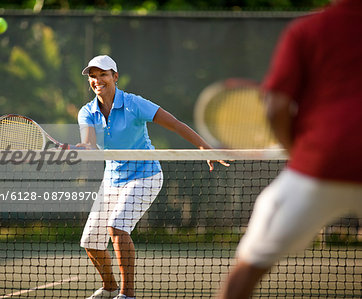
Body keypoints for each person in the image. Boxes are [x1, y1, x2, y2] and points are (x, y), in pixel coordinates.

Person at [217, 1, 362, 298]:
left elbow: (277, 107)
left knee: (246, 271)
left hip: (318, 165)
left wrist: (296, 150)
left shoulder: (307, 30)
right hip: (319, 162)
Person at [77, 55, 229, 299]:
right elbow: (89, 144)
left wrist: (203, 147)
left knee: (116, 227)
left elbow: (175, 124)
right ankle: (109, 287)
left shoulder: (134, 104)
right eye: (93, 76)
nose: (97, 80)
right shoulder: (87, 112)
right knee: (91, 242)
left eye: (103, 74)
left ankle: (127, 294)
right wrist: (79, 148)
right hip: (113, 178)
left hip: (145, 176)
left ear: (115, 77)